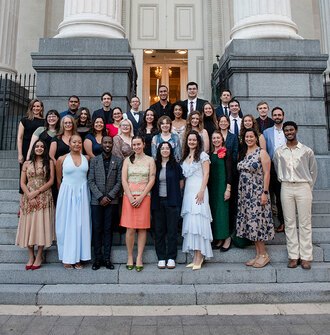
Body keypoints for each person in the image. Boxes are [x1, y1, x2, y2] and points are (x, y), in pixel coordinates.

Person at [273, 121, 317, 270]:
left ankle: (305, 257)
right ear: (284, 132)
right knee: (289, 222)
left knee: (305, 223)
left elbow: (313, 171)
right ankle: (293, 256)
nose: (289, 132)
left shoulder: (306, 151)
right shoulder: (279, 152)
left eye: (291, 130)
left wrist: (307, 187)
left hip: (303, 186)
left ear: (296, 130)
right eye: (286, 130)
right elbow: (277, 169)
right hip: (286, 187)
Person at [236, 129, 274, 268]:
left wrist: (264, 192)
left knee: (257, 223)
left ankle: (264, 254)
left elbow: (267, 173)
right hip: (245, 194)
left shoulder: (261, 152)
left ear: (256, 138)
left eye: (251, 136)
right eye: (247, 136)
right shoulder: (245, 152)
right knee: (251, 223)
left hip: (257, 192)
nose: (249, 138)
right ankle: (258, 254)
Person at [16, 140, 55, 270]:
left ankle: (39, 255)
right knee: (28, 225)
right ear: (33, 148)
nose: (39, 148)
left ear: (45, 149)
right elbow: (22, 182)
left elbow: (51, 181)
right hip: (28, 196)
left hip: (44, 195)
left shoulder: (48, 162)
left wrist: (37, 192)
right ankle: (30, 255)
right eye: (37, 146)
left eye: (42, 146)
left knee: (40, 225)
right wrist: (29, 195)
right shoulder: (27, 163)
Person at [120, 136, 156, 272]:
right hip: (129, 197)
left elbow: (151, 179)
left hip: (144, 197)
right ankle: (130, 256)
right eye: (134, 144)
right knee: (130, 229)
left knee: (142, 228)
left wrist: (141, 197)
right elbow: (124, 179)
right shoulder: (127, 160)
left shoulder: (150, 160)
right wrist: (129, 196)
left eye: (138, 144)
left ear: (144, 144)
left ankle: (139, 257)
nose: (136, 147)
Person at [55, 135, 91, 269]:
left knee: (81, 225)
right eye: (74, 142)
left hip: (82, 194)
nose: (77, 144)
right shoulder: (62, 159)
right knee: (67, 224)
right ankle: (67, 257)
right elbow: (59, 181)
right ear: (69, 143)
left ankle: (79, 258)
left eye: (79, 142)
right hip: (67, 194)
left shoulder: (86, 158)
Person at [88, 136, 122, 270]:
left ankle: (107, 259)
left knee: (108, 230)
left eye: (109, 142)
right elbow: (90, 180)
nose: (107, 145)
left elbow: (119, 181)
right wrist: (100, 196)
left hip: (111, 201)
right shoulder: (94, 161)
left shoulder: (118, 161)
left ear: (113, 144)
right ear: (101, 144)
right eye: (105, 142)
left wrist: (109, 196)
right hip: (97, 201)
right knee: (97, 229)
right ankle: (97, 259)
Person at [181, 130, 213, 270]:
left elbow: (206, 174)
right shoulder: (186, 156)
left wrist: (201, 191)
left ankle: (200, 256)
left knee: (199, 222)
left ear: (198, 141)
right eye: (189, 140)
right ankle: (195, 256)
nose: (192, 142)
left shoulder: (203, 156)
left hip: (199, 190)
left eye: (194, 140)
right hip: (188, 191)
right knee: (191, 224)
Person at [152, 142, 184, 269]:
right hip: (158, 202)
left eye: (167, 148)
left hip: (172, 202)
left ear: (171, 151)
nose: (165, 150)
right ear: (159, 151)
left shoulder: (175, 166)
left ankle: (171, 257)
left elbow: (181, 183)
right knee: (159, 231)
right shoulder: (155, 165)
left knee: (172, 231)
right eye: (162, 148)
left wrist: (174, 195)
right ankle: (161, 257)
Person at [263, 107, 286, 233]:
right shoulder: (266, 132)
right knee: (268, 194)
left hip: (285, 167)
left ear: (283, 116)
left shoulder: (287, 130)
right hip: (271, 167)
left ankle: (283, 222)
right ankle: (268, 223)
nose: (277, 117)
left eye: (279, 115)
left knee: (281, 196)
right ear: (272, 117)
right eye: (275, 115)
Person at [208, 130, 232, 250]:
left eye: (218, 138)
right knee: (215, 212)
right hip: (213, 187)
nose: (216, 140)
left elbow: (229, 171)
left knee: (223, 212)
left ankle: (227, 237)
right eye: (214, 138)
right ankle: (219, 238)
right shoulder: (211, 153)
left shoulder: (226, 152)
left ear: (222, 139)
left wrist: (228, 188)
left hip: (222, 186)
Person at [218, 115, 239, 245]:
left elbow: (236, 153)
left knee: (229, 206)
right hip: (217, 173)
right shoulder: (214, 135)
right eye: (221, 121)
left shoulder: (233, 137)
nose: (223, 123)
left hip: (230, 173)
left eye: (225, 121)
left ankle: (229, 235)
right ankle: (219, 235)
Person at [17, 99, 45, 192]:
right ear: (31, 108)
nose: (36, 108)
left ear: (41, 108)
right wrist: (20, 154)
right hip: (26, 148)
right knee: (25, 173)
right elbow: (20, 137)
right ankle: (24, 195)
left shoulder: (45, 122)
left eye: (38, 106)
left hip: (39, 149)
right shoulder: (24, 120)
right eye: (34, 106)